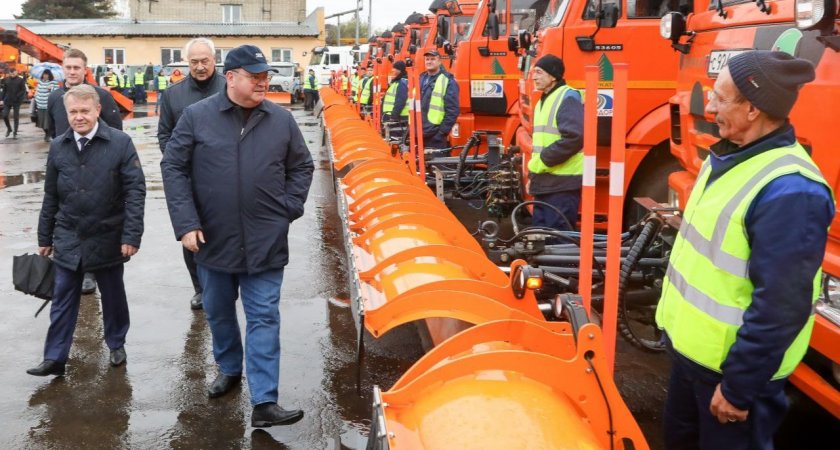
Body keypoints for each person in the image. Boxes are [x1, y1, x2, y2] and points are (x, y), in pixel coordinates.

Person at [656, 50, 834, 449]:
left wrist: (739, 387)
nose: (710, 106)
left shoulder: (791, 190)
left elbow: (781, 306)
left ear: (752, 108)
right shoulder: (729, 159)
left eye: (721, 98)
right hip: (694, 362)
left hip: (729, 377)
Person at [161, 44, 313, 427]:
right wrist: (186, 222)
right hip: (212, 238)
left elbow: (302, 167)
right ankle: (229, 368)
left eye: (266, 77)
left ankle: (264, 401)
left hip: (266, 240)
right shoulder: (197, 117)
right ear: (231, 77)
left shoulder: (281, 120)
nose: (263, 83)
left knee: (264, 316)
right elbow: (173, 168)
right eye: (255, 76)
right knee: (219, 311)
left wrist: (287, 210)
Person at [28, 84, 145, 377]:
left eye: (84, 111)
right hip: (69, 235)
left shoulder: (120, 143)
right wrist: (45, 237)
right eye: (73, 112)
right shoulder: (59, 145)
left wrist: (131, 235)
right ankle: (54, 357)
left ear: (97, 110)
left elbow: (135, 191)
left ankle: (116, 343)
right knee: (63, 297)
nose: (79, 117)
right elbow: (50, 195)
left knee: (113, 295)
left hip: (108, 235)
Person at [157, 37, 226, 310]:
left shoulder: (227, 87)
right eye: (194, 61)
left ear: (214, 60)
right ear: (187, 63)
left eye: (205, 61)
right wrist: (177, 159)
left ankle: (224, 286)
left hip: (225, 175)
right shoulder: (173, 95)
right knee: (191, 234)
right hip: (188, 178)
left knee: (224, 232)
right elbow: (164, 133)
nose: (200, 66)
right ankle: (200, 288)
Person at [47, 48, 123, 295]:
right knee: (65, 216)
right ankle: (69, 262)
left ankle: (90, 272)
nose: (71, 72)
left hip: (95, 169)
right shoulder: (55, 97)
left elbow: (116, 132)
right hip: (65, 164)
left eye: (76, 67)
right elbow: (51, 128)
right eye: (68, 67)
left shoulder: (101, 96)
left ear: (84, 69)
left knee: (91, 218)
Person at [527, 55, 584, 231]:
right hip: (546, 182)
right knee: (541, 238)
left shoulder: (567, 97)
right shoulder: (544, 100)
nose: (534, 77)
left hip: (562, 184)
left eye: (539, 72)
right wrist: (533, 176)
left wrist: (543, 161)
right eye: (533, 72)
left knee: (558, 242)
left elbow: (574, 138)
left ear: (553, 76)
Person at [419, 49, 459, 151]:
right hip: (419, 132)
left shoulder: (447, 80)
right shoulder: (420, 78)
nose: (429, 61)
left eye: (433, 59)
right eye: (427, 59)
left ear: (439, 62)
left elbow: (453, 110)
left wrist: (441, 132)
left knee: (436, 165)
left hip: (435, 135)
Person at [381, 60, 409, 139]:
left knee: (396, 139)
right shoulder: (396, 82)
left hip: (399, 119)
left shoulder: (402, 83)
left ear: (400, 70)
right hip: (394, 117)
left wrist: (393, 117)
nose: (393, 71)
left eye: (395, 69)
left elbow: (400, 101)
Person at [34, 69, 58, 142]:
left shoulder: (53, 82)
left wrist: (52, 88)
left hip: (48, 106)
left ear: (49, 75)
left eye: (47, 74)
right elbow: (37, 92)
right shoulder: (40, 82)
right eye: (44, 74)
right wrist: (36, 99)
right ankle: (46, 133)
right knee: (41, 123)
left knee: (47, 123)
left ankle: (48, 134)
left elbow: (57, 91)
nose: (45, 76)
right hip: (40, 105)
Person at [3, 68, 27, 139]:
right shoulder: (7, 80)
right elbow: (4, 90)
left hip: (16, 101)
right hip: (7, 101)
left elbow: (23, 90)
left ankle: (15, 132)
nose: (12, 74)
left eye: (13, 73)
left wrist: (18, 96)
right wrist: (1, 99)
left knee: (16, 117)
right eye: (11, 73)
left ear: (16, 72)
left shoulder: (20, 80)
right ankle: (9, 129)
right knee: (5, 115)